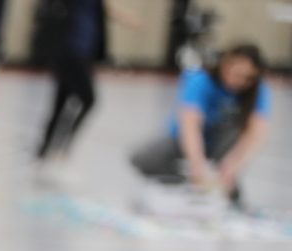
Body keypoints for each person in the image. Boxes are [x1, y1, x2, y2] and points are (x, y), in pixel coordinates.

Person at [131, 43, 272, 204]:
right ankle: (182, 184)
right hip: (184, 140)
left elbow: (257, 132)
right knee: (143, 157)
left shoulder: (257, 90)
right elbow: (190, 127)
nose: (237, 81)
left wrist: (234, 165)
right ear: (224, 65)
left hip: (222, 144)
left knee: (232, 151)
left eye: (247, 78)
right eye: (235, 73)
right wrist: (197, 166)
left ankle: (227, 191)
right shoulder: (201, 80)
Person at [33, 0, 141, 177]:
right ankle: (59, 151)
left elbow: (105, 10)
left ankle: (44, 153)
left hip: (84, 54)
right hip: (68, 52)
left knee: (60, 104)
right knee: (89, 99)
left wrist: (126, 19)